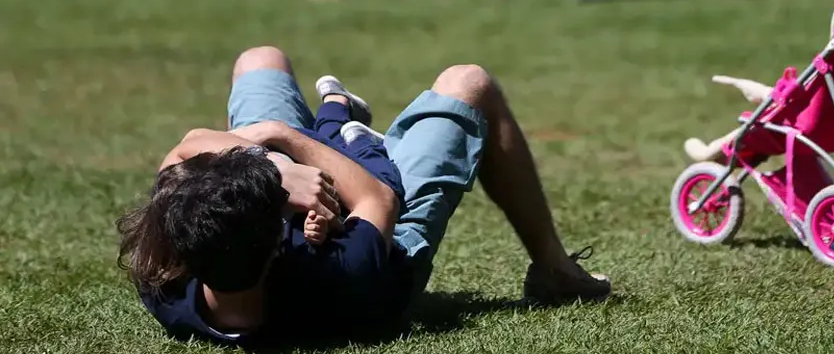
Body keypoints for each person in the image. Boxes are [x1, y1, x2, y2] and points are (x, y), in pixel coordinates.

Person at [117, 46, 610, 345]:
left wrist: (271, 167)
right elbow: (376, 199)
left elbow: (184, 150)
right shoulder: (342, 276)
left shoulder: (165, 277)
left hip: (256, 214)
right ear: (276, 242)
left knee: (259, 60)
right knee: (470, 82)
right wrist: (284, 143)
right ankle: (555, 271)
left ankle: (322, 123)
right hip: (385, 228)